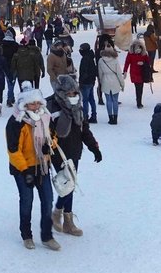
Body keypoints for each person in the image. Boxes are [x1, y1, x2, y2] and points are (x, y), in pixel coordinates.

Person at [47, 75, 101, 237]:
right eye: (69, 93)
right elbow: (46, 132)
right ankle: (60, 215)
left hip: (75, 151)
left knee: (70, 185)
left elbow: (84, 130)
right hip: (59, 152)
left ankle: (65, 219)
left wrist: (94, 147)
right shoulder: (51, 106)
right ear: (61, 92)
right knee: (68, 184)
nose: (73, 96)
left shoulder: (78, 107)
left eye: (74, 93)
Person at [6, 87, 60, 251]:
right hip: (23, 169)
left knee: (48, 200)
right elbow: (13, 150)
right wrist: (25, 169)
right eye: (31, 103)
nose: (35, 106)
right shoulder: (16, 122)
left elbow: (54, 137)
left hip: (42, 165)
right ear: (24, 104)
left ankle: (47, 235)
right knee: (27, 201)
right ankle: (27, 235)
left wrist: (49, 147)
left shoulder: (45, 118)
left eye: (37, 102)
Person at [97, 45, 124, 124]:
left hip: (105, 80)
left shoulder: (101, 60)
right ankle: (115, 118)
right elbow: (119, 73)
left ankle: (110, 117)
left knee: (108, 100)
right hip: (115, 80)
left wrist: (101, 82)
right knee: (115, 100)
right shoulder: (115, 60)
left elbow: (100, 73)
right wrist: (122, 84)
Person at [123, 41, 149, 109]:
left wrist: (143, 63)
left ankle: (139, 101)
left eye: (139, 49)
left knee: (140, 88)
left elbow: (148, 63)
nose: (138, 51)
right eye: (137, 49)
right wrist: (125, 71)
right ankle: (139, 102)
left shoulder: (144, 54)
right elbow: (127, 62)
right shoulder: (130, 54)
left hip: (142, 73)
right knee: (138, 87)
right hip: (134, 73)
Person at [77, 43, 98, 124]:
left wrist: (81, 82)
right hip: (91, 82)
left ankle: (85, 116)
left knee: (85, 100)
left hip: (85, 82)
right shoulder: (91, 57)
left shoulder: (85, 59)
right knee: (91, 99)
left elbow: (84, 72)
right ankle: (94, 115)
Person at [1, 30, 21, 107]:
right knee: (11, 83)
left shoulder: (2, 45)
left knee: (9, 82)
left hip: (5, 66)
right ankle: (10, 98)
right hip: (14, 66)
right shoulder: (16, 45)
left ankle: (11, 98)